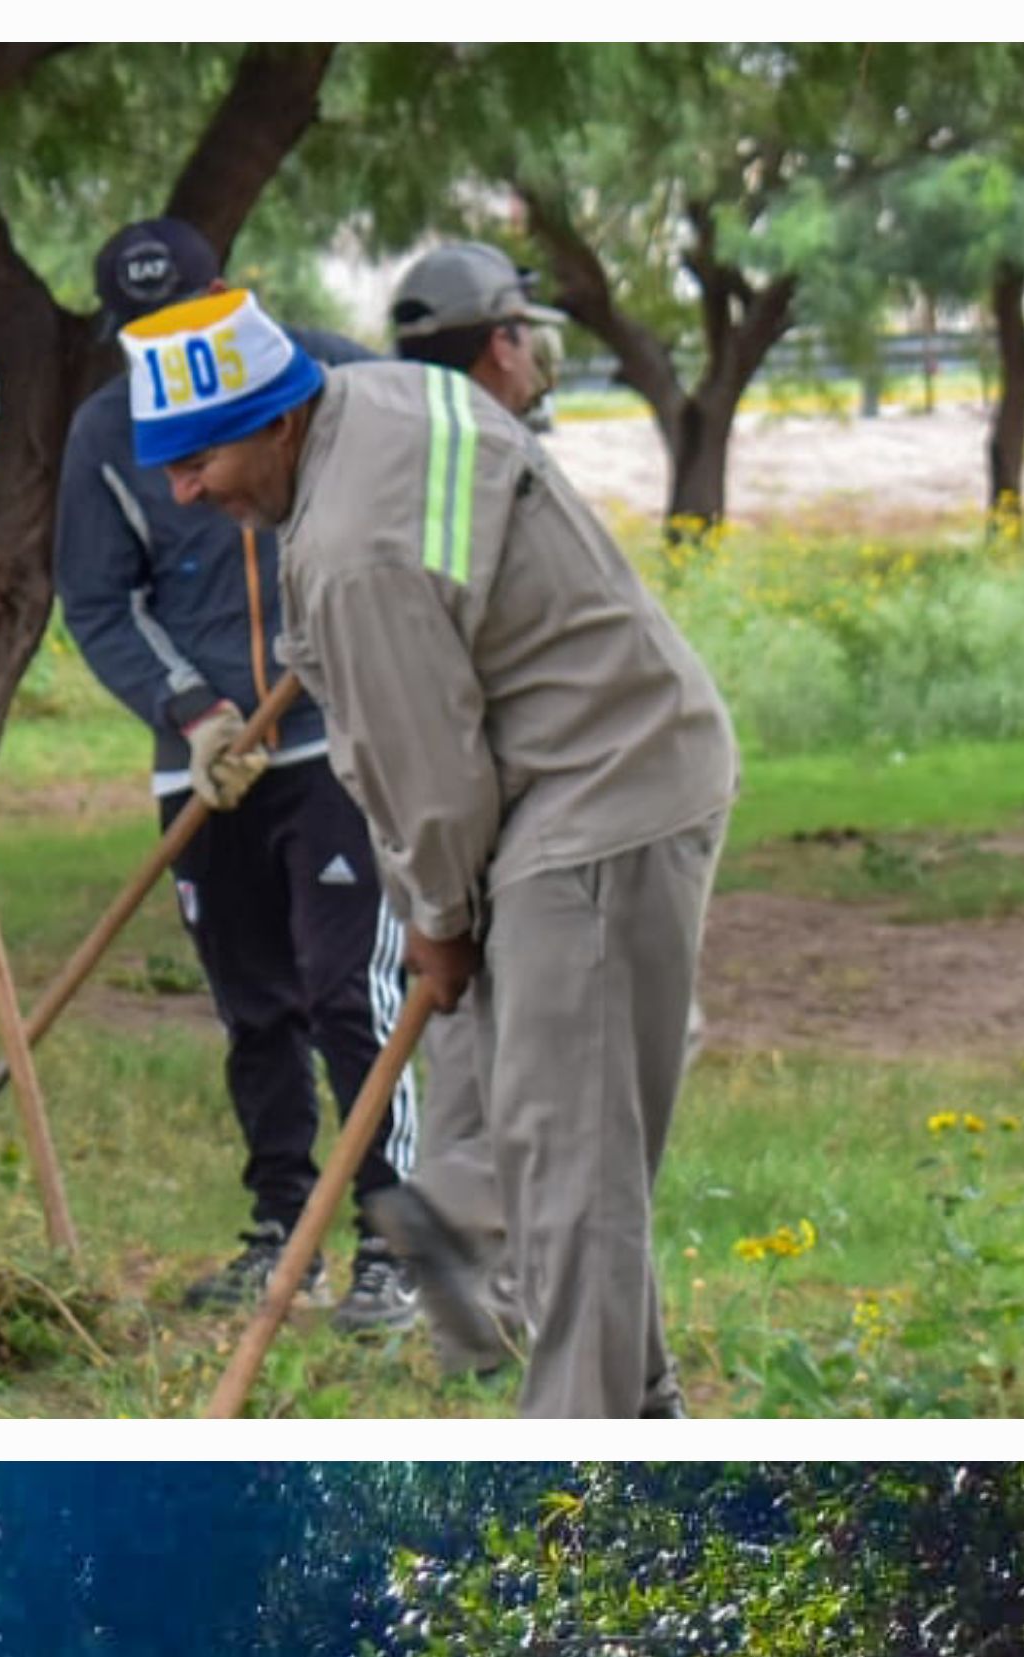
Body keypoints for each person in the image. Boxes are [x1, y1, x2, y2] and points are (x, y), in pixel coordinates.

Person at [125, 282, 738, 1417]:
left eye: (199, 460)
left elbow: (429, 771)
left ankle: (588, 1438)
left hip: (600, 783)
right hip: (542, 782)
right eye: (167, 465)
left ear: (275, 418)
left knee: (571, 1152)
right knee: (528, 1111)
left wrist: (441, 923)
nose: (184, 491)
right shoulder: (378, 403)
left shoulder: (356, 553)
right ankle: (585, 1358)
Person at [54, 216, 419, 1333]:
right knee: (255, 1007)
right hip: (211, 768)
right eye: (143, 334)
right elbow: (98, 598)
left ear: (232, 299)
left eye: (190, 321)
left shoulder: (334, 383)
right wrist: (194, 713)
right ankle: (282, 1235)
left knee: (350, 994)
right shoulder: (104, 433)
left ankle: (399, 1246)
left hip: (338, 748)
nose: (168, 349)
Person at [361, 238, 579, 1380]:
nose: (536, 357)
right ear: (500, 343)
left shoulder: (391, 446)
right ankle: (460, 1221)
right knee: (593, 1024)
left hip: (423, 784)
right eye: (527, 335)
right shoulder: (489, 449)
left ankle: (473, 1311)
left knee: (466, 1030)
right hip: (514, 786)